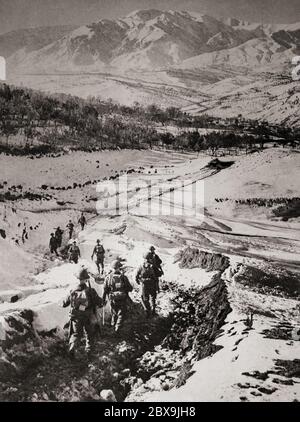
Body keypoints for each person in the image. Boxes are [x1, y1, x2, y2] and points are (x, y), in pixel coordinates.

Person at [63, 268, 103, 358]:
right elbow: (99, 302)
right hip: (87, 316)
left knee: (76, 334)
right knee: (89, 334)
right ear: (86, 280)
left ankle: (72, 348)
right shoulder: (90, 291)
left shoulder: (72, 291)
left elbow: (64, 303)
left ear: (78, 279)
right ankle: (89, 352)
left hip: (75, 316)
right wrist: (102, 302)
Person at [103, 260, 133, 334]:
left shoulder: (108, 278)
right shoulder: (123, 277)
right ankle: (117, 328)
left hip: (112, 298)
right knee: (121, 314)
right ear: (119, 268)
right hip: (122, 298)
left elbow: (105, 289)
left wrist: (104, 299)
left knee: (114, 312)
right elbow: (130, 288)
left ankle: (113, 326)